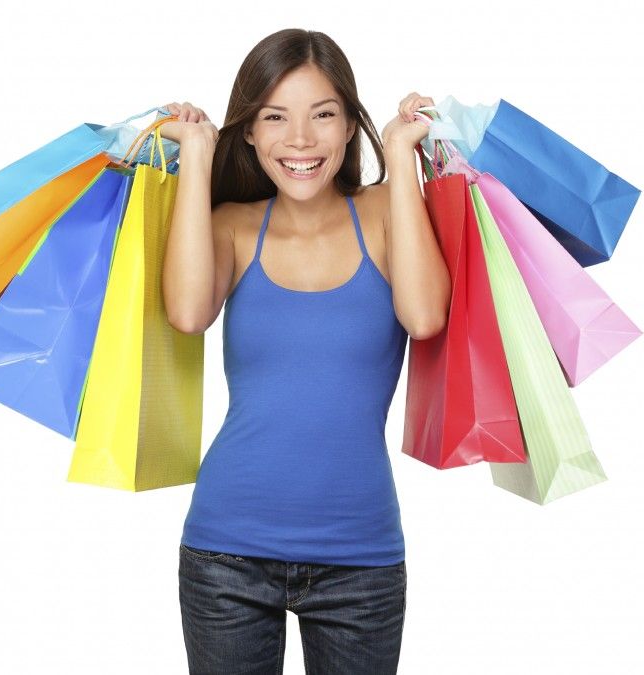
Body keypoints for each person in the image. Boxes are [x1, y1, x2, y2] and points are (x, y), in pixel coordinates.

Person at [159, 28, 450, 675]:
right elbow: (185, 313)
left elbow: (425, 315)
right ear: (253, 132)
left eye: (322, 115)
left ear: (350, 125)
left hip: (361, 558)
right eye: (275, 118)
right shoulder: (233, 224)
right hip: (226, 556)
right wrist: (199, 155)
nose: (299, 140)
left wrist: (401, 155)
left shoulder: (383, 212)